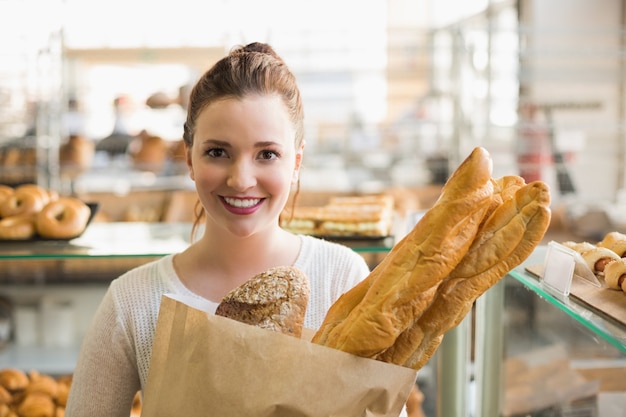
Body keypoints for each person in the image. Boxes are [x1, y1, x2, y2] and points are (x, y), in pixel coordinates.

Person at [64, 42, 371, 417]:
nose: (242, 179)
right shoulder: (133, 302)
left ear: (296, 162)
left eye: (267, 154)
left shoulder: (341, 279)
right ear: (189, 157)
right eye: (217, 152)